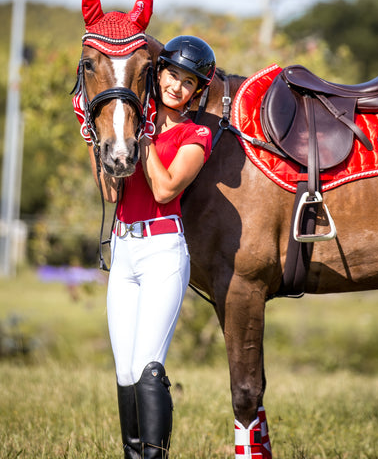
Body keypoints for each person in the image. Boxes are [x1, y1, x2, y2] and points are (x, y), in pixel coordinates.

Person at [74, 34, 216, 458]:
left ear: (197, 92)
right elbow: (113, 195)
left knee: (147, 370)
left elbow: (164, 187)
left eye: (189, 82)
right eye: (171, 74)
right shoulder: (129, 126)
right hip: (124, 252)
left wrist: (145, 135)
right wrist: (96, 135)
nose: (177, 86)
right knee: (123, 372)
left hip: (162, 254)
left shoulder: (196, 136)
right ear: (158, 75)